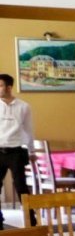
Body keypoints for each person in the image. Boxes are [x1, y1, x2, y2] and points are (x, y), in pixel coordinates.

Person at [0, 74, 34, 202]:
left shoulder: (24, 106)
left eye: (0, 86)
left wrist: (32, 151)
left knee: (21, 186)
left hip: (16, 152)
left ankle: (31, 219)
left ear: (9, 88)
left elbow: (28, 129)